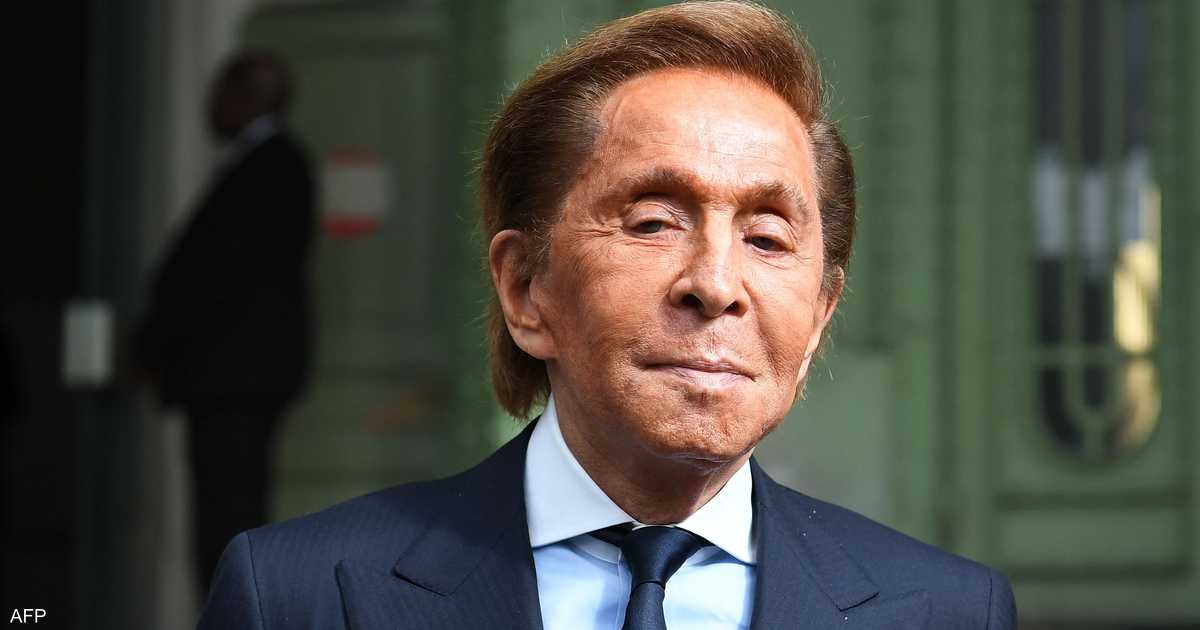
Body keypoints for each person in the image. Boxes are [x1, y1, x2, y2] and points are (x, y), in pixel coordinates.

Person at [197, 3, 1015, 628]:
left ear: (820, 318)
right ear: (526, 289)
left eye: (768, 238)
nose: (716, 284)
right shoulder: (301, 596)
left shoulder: (946, 612)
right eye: (654, 223)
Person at [137, 51, 315, 590]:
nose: (210, 105)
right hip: (233, 375)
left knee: (227, 518)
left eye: (221, 92)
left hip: (236, 376)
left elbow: (216, 270)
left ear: (247, 97)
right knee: (225, 514)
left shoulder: (272, 165)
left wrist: (154, 341)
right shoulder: (260, 163)